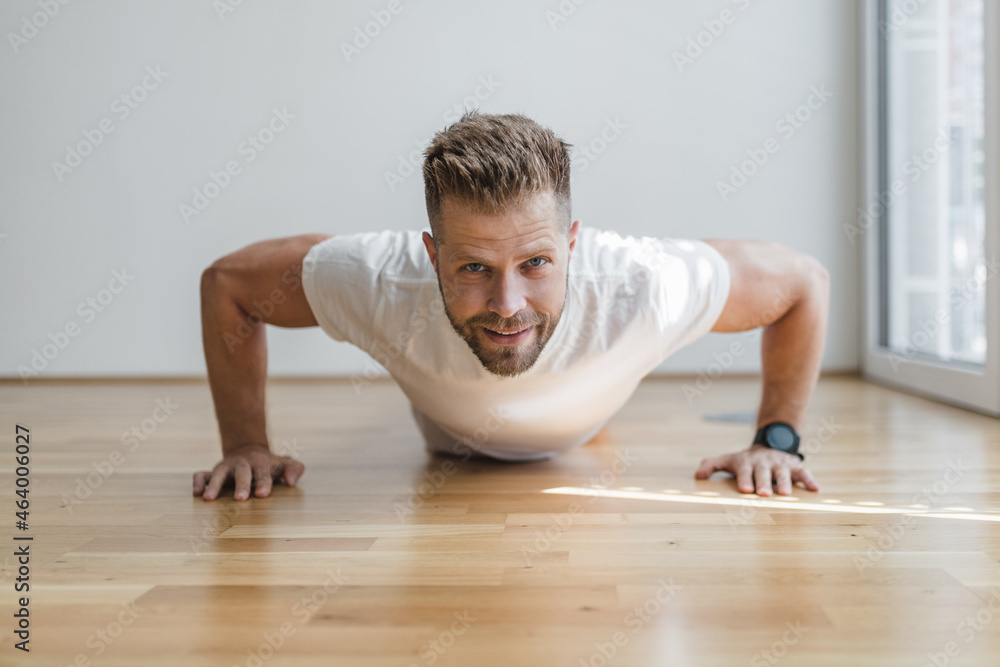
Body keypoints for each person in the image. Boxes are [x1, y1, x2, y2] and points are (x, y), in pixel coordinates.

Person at [193, 111, 829, 502]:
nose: (507, 305)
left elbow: (803, 283)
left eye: (536, 263)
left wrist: (777, 441)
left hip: (588, 413)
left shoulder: (642, 286)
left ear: (572, 245)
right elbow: (228, 284)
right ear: (432, 255)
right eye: (473, 267)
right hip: (448, 438)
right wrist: (246, 444)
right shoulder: (379, 279)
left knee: (586, 405)